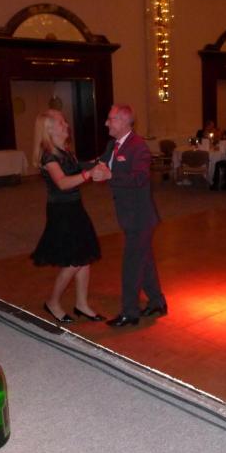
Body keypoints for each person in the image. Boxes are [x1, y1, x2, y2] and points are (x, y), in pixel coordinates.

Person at [31, 109, 107, 324]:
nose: (66, 124)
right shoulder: (49, 156)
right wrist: (88, 174)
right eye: (61, 122)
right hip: (62, 212)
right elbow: (63, 183)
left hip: (75, 207)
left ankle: (81, 304)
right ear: (49, 129)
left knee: (85, 257)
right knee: (74, 261)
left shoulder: (64, 151)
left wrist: (96, 163)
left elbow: (77, 167)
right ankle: (52, 302)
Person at [96, 104, 167, 327]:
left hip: (140, 218)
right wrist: (71, 166)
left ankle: (130, 313)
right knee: (143, 261)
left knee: (132, 265)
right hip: (129, 215)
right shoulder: (113, 145)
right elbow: (99, 163)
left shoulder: (139, 147)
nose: (106, 123)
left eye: (110, 119)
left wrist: (110, 176)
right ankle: (157, 302)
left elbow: (140, 179)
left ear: (124, 121)